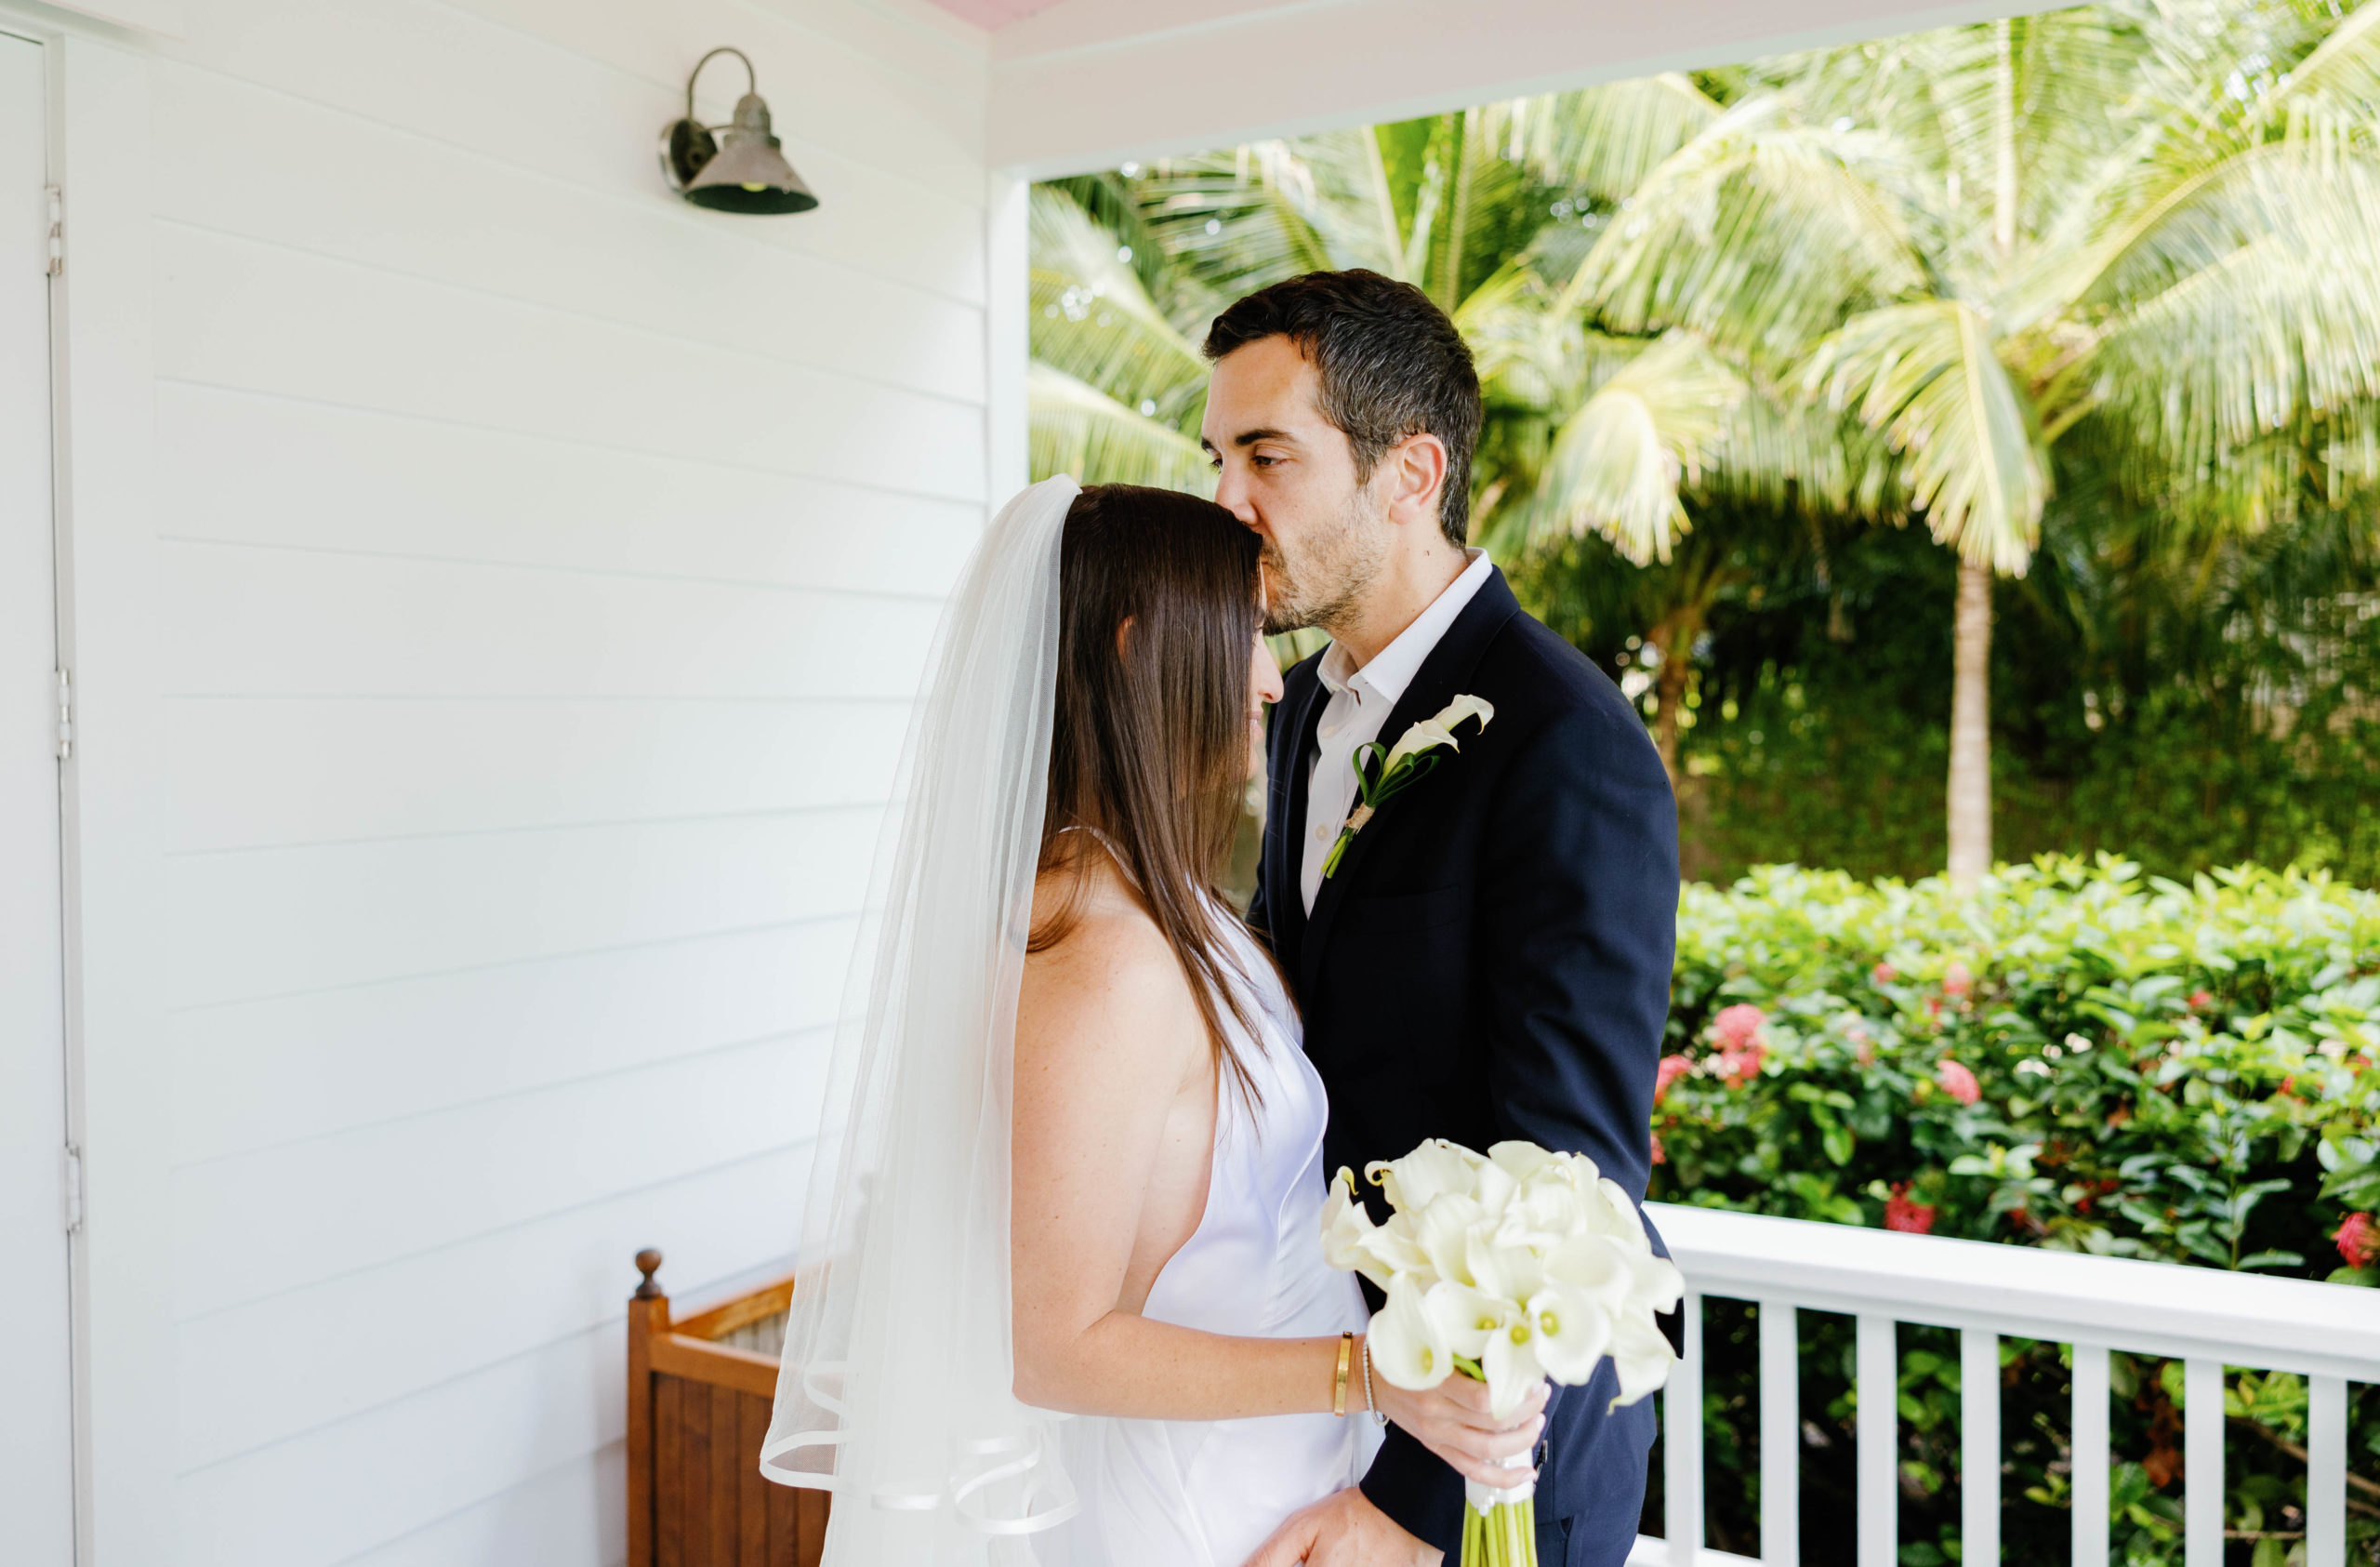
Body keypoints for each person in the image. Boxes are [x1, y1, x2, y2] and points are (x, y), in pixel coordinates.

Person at [760, 480, 1546, 1566]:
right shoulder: (1103, 956)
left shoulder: (1147, 898)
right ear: (1139, 651)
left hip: (1274, 1481)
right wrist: (1368, 1372)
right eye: (1247, 637)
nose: (1274, 677)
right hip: (1197, 1516)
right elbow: (1058, 1346)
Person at [1208, 271, 1679, 1567]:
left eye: (1267, 456)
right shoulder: (1300, 711)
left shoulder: (1564, 741)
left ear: (1410, 473)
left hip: (1487, 1471)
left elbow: (1567, 1177)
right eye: (1218, 457)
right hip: (1323, 1386)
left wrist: (1408, 1508)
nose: (1227, 501)